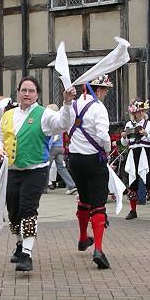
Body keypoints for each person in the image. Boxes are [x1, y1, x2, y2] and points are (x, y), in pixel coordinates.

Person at [0, 76, 76, 272]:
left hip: (35, 170)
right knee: (13, 212)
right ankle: (20, 244)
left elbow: (64, 124)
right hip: (12, 171)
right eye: (24, 90)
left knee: (28, 209)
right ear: (18, 93)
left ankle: (27, 254)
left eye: (31, 91)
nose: (27, 94)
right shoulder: (8, 115)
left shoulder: (44, 114)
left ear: (37, 94)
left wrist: (67, 102)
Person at [67, 75, 113, 269]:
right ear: (99, 89)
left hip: (74, 160)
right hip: (93, 160)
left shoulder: (73, 105)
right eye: (105, 90)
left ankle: (83, 237)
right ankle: (99, 249)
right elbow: (103, 135)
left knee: (84, 198)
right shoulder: (98, 107)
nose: (105, 94)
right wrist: (108, 149)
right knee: (98, 203)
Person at [120, 99, 150, 220]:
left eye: (142, 111)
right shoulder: (128, 125)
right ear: (134, 112)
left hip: (145, 154)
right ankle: (133, 210)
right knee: (132, 182)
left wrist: (146, 134)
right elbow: (125, 143)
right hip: (133, 154)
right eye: (138, 111)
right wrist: (124, 137)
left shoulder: (149, 124)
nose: (141, 113)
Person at [45, 104, 77, 194]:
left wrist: (48, 147)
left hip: (52, 147)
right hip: (60, 147)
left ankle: (43, 187)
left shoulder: (51, 121)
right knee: (61, 167)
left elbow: (52, 136)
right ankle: (71, 185)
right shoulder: (60, 120)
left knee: (46, 166)